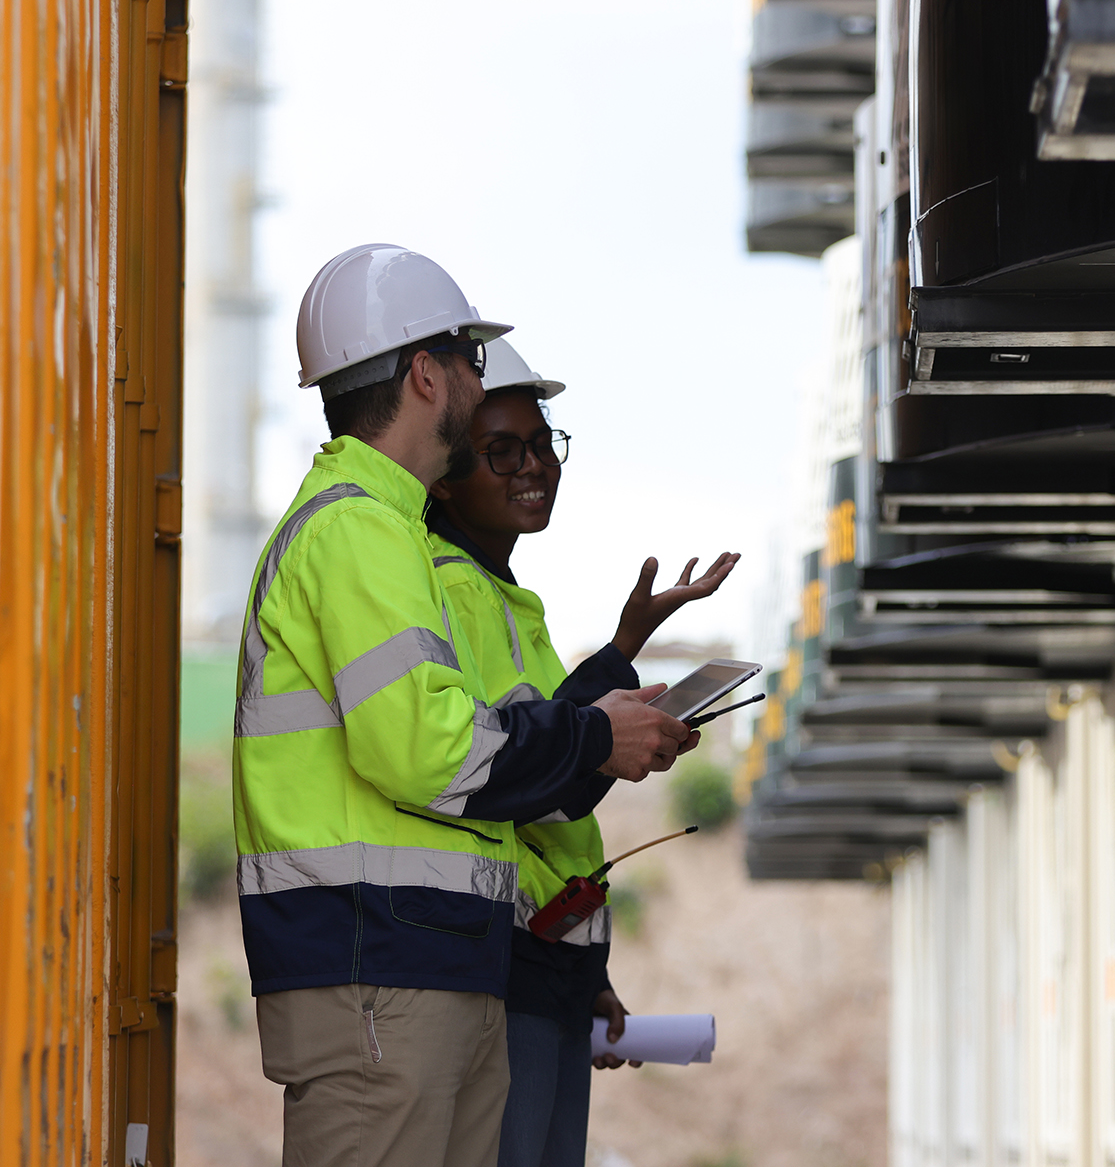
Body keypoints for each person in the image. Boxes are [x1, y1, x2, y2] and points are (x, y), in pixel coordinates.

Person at [234, 245, 696, 1167]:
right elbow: (428, 750)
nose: (481, 387)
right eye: (471, 363)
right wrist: (598, 732)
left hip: (422, 964)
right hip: (377, 967)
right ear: (424, 373)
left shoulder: (384, 530)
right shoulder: (359, 530)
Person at [425, 337, 738, 1167]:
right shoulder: (449, 589)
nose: (533, 465)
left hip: (550, 963)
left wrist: (624, 662)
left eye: (542, 444)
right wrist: (603, 735)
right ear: (446, 473)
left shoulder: (503, 596)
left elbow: (548, 768)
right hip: (506, 961)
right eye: (502, 451)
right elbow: (507, 772)